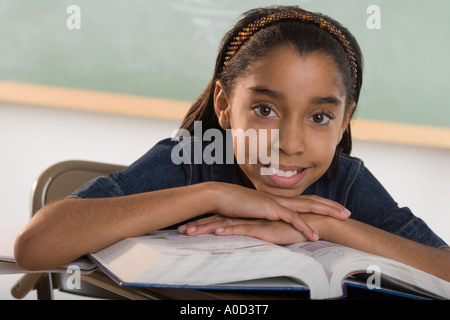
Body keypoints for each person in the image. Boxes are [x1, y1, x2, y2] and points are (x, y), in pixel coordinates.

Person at [14, 6, 450, 282]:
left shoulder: (345, 183)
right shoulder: (190, 160)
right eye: (265, 110)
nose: (290, 144)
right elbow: (34, 248)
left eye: (320, 117)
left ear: (344, 121)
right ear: (224, 106)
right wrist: (214, 194)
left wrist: (327, 227)